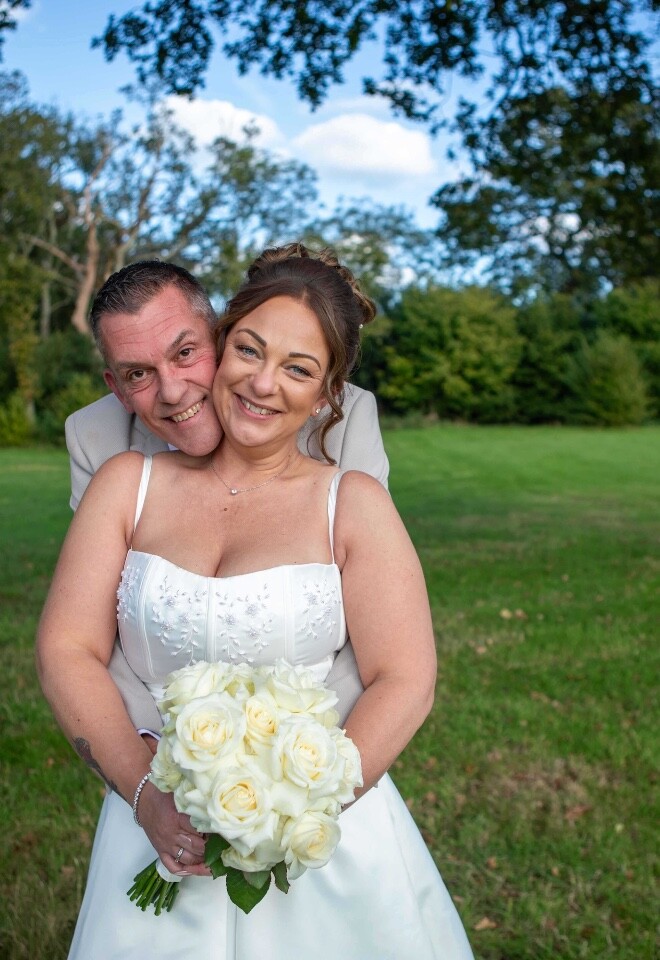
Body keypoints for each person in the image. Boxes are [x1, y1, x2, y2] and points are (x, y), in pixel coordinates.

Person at [37, 244, 474, 959]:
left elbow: (405, 676)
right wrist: (148, 792)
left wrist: (291, 809)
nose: (264, 382)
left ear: (327, 395)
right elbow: (68, 648)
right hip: (156, 805)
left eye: (298, 369)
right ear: (228, 342)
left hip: (321, 826)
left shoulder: (351, 500)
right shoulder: (125, 481)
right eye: (250, 351)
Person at [65, 260, 389, 734]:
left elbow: (375, 620)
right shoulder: (97, 439)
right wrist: (158, 750)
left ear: (219, 336)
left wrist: (292, 760)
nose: (173, 392)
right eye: (139, 374)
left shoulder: (340, 416)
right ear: (117, 387)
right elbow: (99, 624)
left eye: (185, 353)